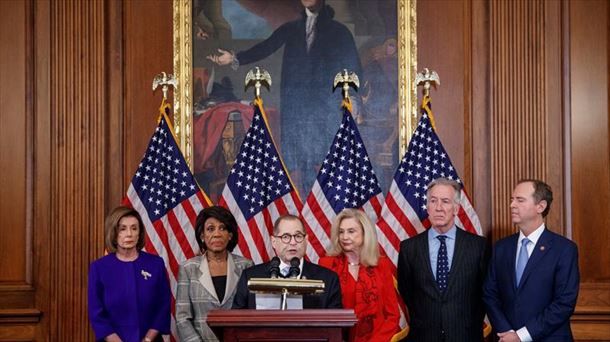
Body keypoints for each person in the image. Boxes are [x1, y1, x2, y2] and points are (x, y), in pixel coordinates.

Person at [207, 0, 362, 194]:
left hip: (325, 109)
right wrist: (235, 58)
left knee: (326, 163)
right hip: (297, 109)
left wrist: (353, 101)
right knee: (300, 164)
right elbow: (266, 47)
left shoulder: (339, 32)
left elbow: (352, 66)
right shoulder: (292, 28)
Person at [483, 179, 580, 342]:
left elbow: (564, 303)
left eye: (520, 200)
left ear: (540, 206)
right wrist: (506, 332)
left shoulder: (564, 249)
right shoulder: (501, 248)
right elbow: (489, 294)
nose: (512, 205)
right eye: (512, 200)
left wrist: (521, 336)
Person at [396, 178, 488, 342]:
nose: (439, 208)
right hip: (423, 337)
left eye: (445, 201)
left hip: (466, 336)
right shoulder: (409, 248)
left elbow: (485, 293)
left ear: (456, 208)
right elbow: (407, 292)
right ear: (427, 207)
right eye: (433, 201)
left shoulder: (478, 247)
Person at [88, 206, 170, 342]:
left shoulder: (155, 264)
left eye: (134, 228)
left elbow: (163, 305)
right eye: (122, 229)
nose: (129, 234)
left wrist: (148, 339)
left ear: (140, 233)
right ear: (114, 233)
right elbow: (96, 312)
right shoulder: (99, 267)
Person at [319, 208, 400, 342]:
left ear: (365, 233)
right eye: (341, 232)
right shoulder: (327, 264)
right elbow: (321, 313)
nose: (345, 237)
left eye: (351, 231)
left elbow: (392, 316)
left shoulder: (382, 265)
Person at [175, 206, 254, 341]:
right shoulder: (188, 268)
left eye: (222, 228)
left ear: (230, 235)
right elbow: (182, 318)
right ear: (202, 236)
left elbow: (250, 314)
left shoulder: (245, 266)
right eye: (210, 229)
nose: (217, 234)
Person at [232, 214, 342, 309]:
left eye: (298, 236)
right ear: (273, 241)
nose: (293, 242)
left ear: (306, 240)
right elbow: (236, 321)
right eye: (285, 237)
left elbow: (335, 326)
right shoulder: (250, 276)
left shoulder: (328, 279)